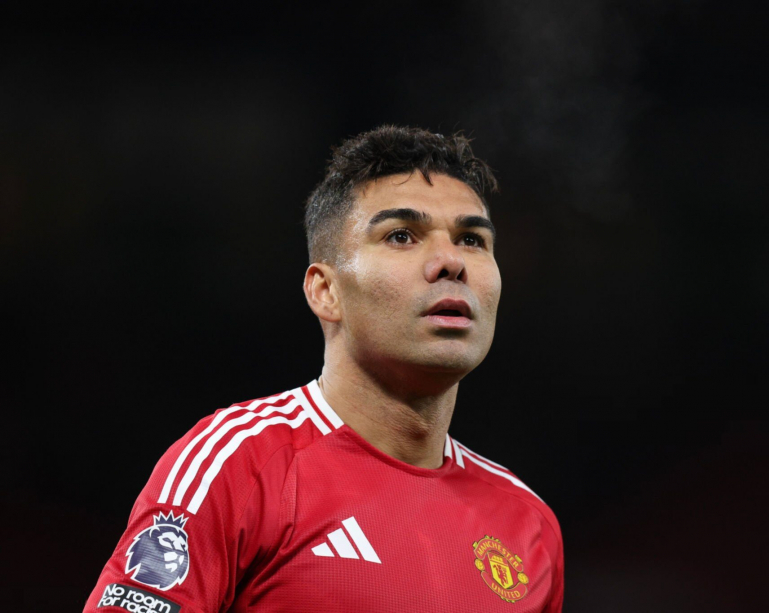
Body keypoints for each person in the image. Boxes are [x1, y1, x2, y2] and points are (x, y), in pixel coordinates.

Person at [84, 125, 564, 612]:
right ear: (326, 291)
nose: (451, 262)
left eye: (472, 239)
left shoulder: (528, 526)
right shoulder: (238, 465)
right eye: (401, 236)